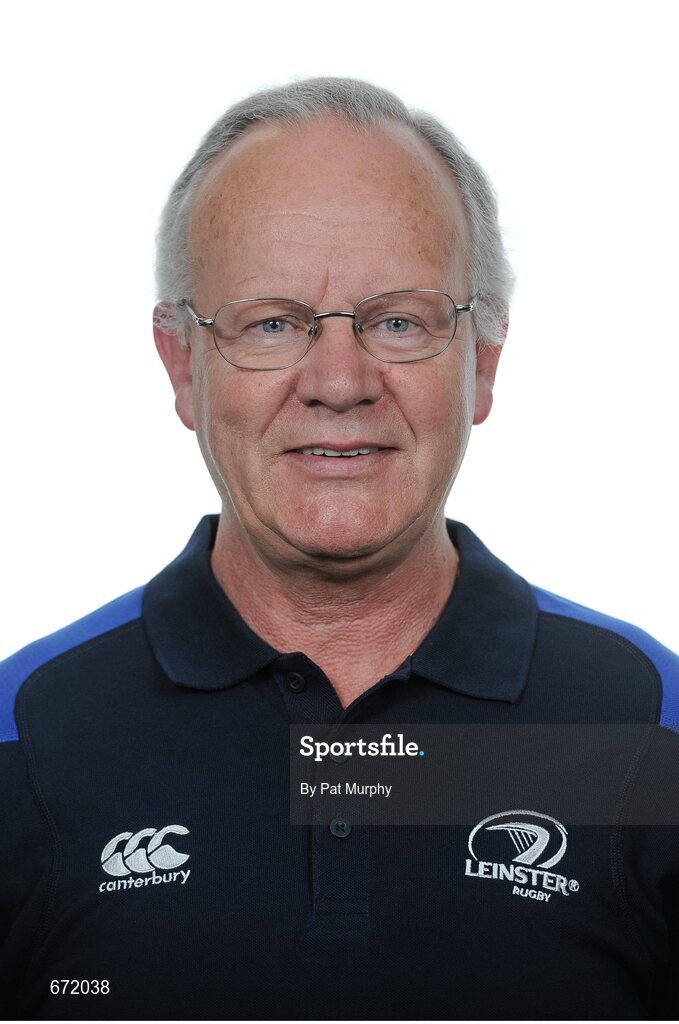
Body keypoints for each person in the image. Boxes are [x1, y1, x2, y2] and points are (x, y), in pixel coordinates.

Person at [1, 76, 677, 1021]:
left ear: (481, 360)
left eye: (398, 320)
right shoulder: (23, 733)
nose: (337, 381)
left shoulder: (652, 725)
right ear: (182, 364)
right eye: (271, 322)